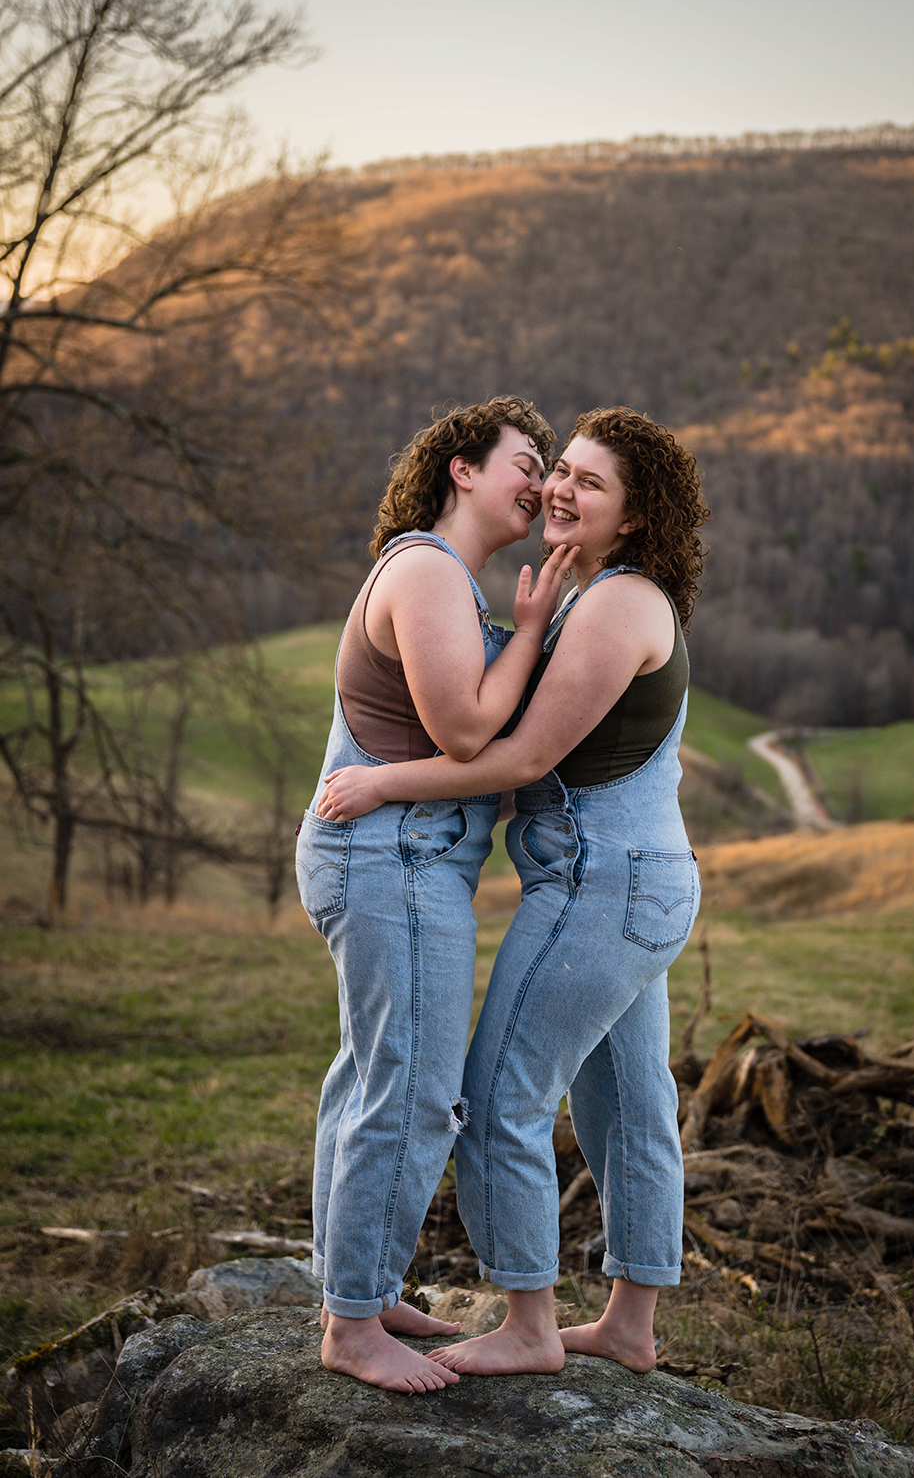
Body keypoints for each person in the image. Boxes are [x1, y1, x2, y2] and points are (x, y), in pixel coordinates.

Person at [318, 406, 710, 1378]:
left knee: (499, 1097)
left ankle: (532, 1328)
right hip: (630, 885)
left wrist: (381, 781)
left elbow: (520, 752)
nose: (558, 491)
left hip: (599, 888)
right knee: (626, 1102)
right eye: (554, 471)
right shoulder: (593, 594)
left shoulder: (616, 602)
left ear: (636, 517)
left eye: (586, 482)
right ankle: (628, 1324)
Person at [296, 396, 577, 1394]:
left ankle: (358, 1292)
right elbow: (463, 732)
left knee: (371, 1076)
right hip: (394, 856)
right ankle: (352, 1327)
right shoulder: (423, 570)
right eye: (524, 459)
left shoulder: (445, 578)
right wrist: (537, 633)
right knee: (412, 1090)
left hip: (401, 855)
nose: (540, 479)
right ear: (462, 468)